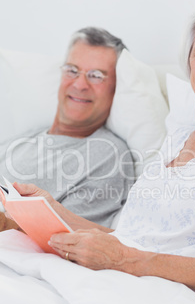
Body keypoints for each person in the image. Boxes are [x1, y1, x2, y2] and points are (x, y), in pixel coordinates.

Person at [8, 0, 195, 304]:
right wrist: (53, 211)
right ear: (189, 62)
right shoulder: (180, 137)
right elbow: (128, 239)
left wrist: (124, 261)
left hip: (159, 300)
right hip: (117, 281)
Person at [0, 27, 134, 228]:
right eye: (72, 70)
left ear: (116, 87)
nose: (80, 84)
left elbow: (70, 240)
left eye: (96, 75)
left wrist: (5, 224)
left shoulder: (108, 154)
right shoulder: (22, 140)